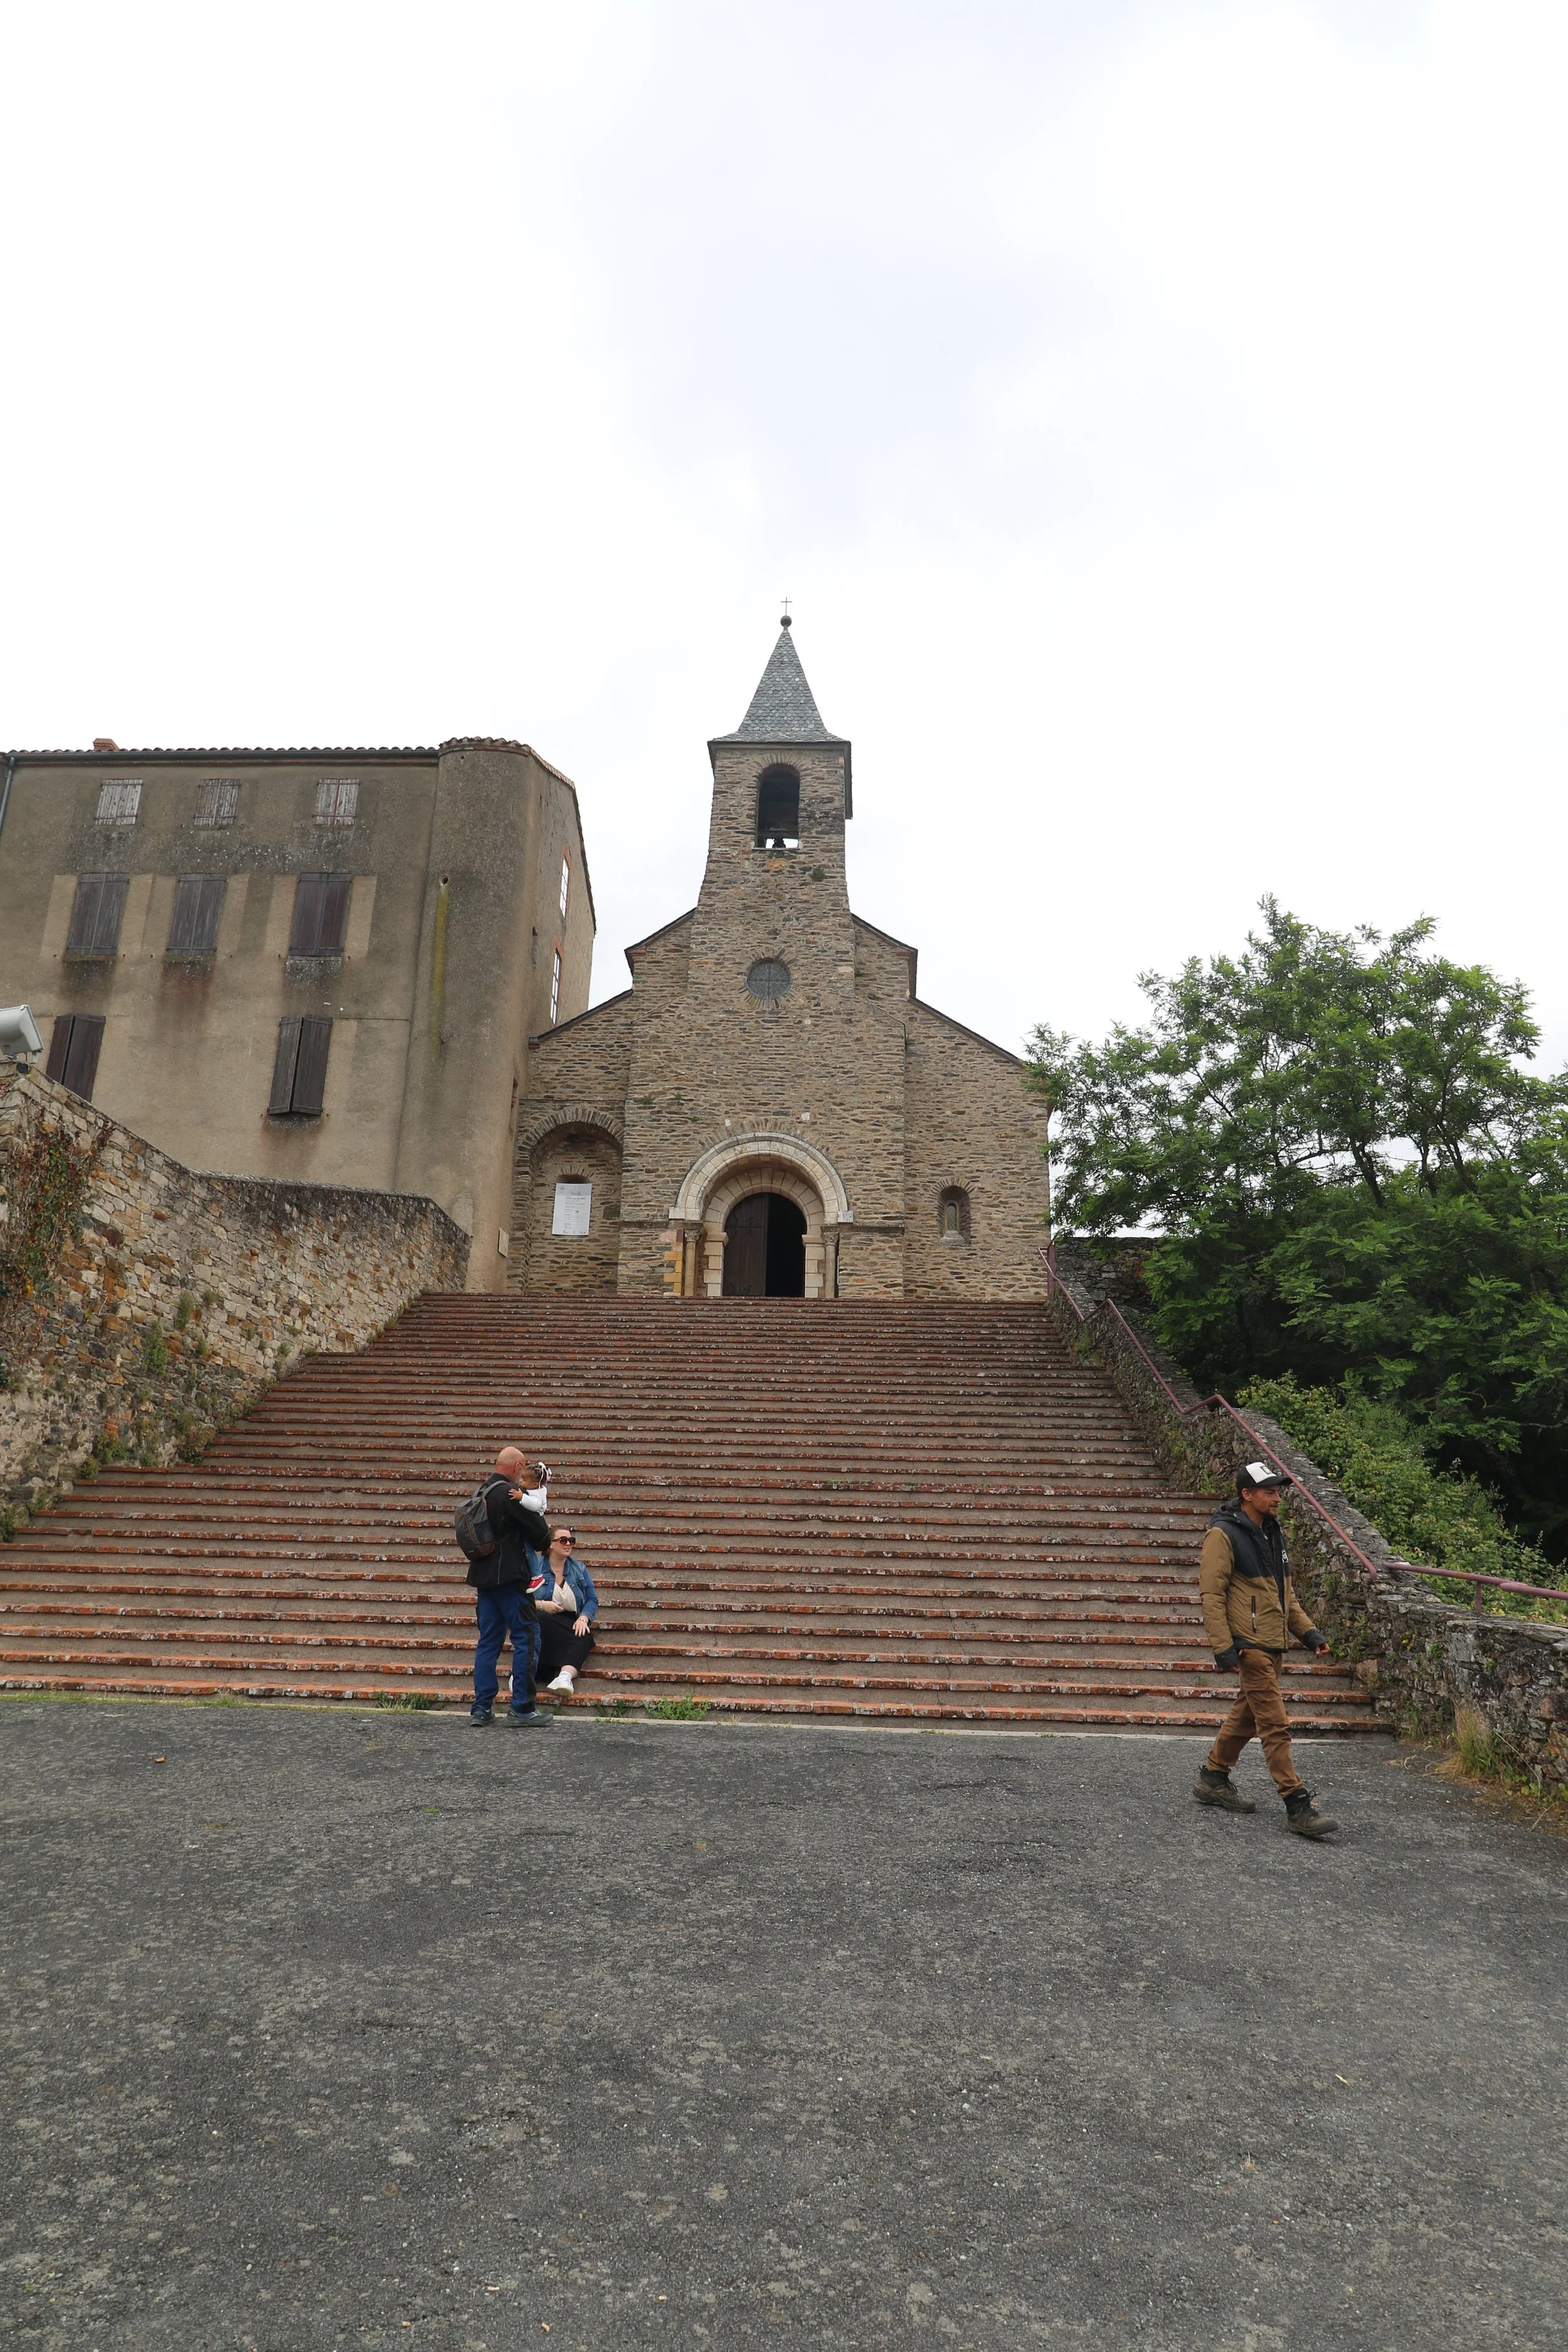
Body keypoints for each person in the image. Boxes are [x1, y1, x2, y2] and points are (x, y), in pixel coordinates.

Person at [1194, 1460, 1338, 1837]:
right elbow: (1212, 1595)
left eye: (1278, 1491)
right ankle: (1297, 1804)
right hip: (1250, 1647)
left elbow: (1284, 1596)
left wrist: (1309, 1633)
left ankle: (1213, 1778)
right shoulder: (1222, 1535)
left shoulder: (1274, 1533)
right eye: (1270, 1491)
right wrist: (1224, 1648)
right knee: (1275, 1725)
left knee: (1246, 1716)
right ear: (1248, 1494)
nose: (1278, 1498)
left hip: (1273, 1644)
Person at [466, 1446, 552, 1728]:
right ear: (516, 1468)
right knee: (526, 1639)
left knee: (488, 1642)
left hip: (483, 1579)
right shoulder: (511, 1496)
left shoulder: (481, 1493)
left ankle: (481, 1707)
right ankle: (522, 1707)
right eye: (523, 1469)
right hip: (512, 1580)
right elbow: (541, 1537)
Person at [534, 1523, 599, 1695]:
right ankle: (523, 1675)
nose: (568, 1544)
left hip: (570, 1620)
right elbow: (520, 1598)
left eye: (571, 1540)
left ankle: (564, 1677)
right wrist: (542, 1605)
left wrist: (584, 1618)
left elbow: (592, 1599)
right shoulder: (536, 1568)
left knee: (584, 1635)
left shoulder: (579, 1569)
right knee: (542, 1620)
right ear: (550, 1544)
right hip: (544, 1618)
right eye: (563, 1540)